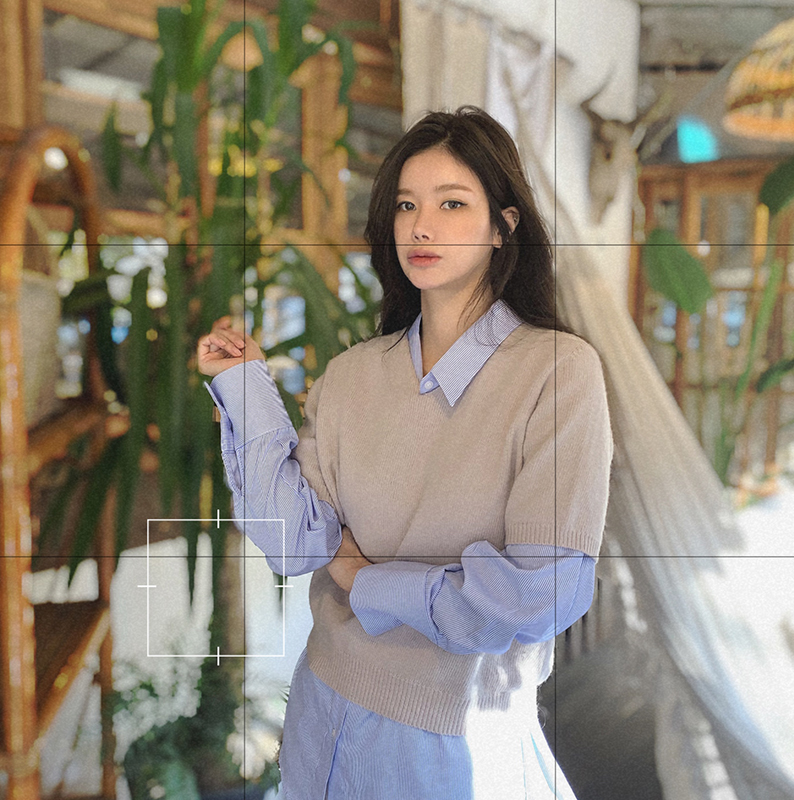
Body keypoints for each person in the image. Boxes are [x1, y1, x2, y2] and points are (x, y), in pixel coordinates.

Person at [197, 105, 613, 800]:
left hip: (453, 742)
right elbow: (295, 543)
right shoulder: (353, 373)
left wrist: (367, 580)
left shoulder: (558, 372)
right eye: (406, 205)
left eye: (452, 203)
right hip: (320, 705)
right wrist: (244, 389)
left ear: (503, 225)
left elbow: (542, 592)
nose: (421, 226)